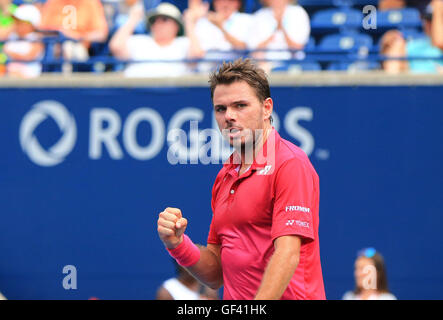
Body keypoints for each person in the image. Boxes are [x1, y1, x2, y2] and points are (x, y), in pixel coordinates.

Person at [157, 58, 325, 300]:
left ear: (267, 108)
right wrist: (178, 244)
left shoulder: (290, 163)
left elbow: (287, 254)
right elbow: (216, 274)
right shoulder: (225, 176)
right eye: (221, 108)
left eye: (240, 105)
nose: (229, 116)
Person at [110, 2, 193, 77]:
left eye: (164, 19)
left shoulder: (183, 43)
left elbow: (196, 56)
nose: (158, 23)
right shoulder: (140, 41)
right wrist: (133, 19)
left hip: (173, 92)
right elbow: (116, 47)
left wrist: (189, 23)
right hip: (137, 91)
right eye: (154, 20)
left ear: (176, 26)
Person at [183, 0, 252, 71]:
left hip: (235, 70)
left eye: (230, 1)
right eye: (220, 1)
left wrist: (220, 27)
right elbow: (195, 54)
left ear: (238, 3)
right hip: (207, 72)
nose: (225, 4)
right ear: (215, 3)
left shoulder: (246, 20)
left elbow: (243, 47)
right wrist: (190, 21)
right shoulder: (203, 23)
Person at [246, 0, 310, 72]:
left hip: (293, 64)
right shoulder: (259, 16)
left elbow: (297, 48)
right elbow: (254, 51)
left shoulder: (298, 13)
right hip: (264, 66)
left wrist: (281, 27)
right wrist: (273, 33)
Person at [39, 0, 109, 63]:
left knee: (69, 47)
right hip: (54, 46)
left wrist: (75, 37)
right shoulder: (53, 2)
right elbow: (42, 31)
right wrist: (59, 35)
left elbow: (101, 34)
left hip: (80, 47)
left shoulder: (91, 2)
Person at [3, 4, 44, 78]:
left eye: (20, 22)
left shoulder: (36, 38)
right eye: (16, 21)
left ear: (31, 24)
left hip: (29, 75)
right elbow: (5, 49)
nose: (17, 24)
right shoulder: (12, 36)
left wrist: (13, 54)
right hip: (10, 74)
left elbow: (30, 56)